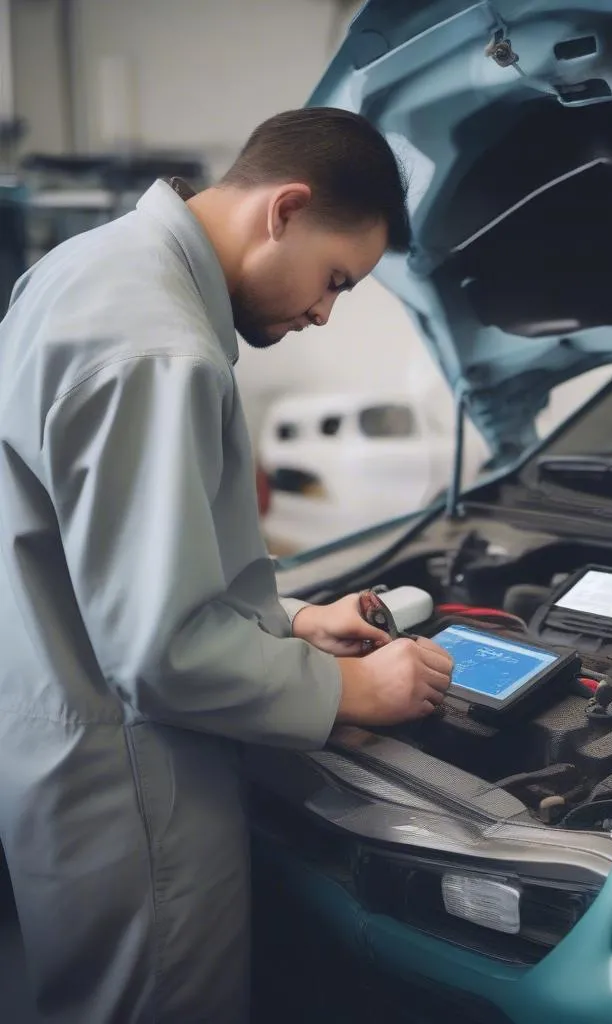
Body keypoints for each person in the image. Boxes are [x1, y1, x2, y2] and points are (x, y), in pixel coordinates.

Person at [0, 108, 453, 1022]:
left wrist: (286, 621)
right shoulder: (159, 348)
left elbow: (97, 557)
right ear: (285, 208)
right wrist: (354, 694)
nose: (324, 312)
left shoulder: (89, 269)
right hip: (128, 778)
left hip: (52, 716)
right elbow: (161, 652)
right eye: (335, 279)